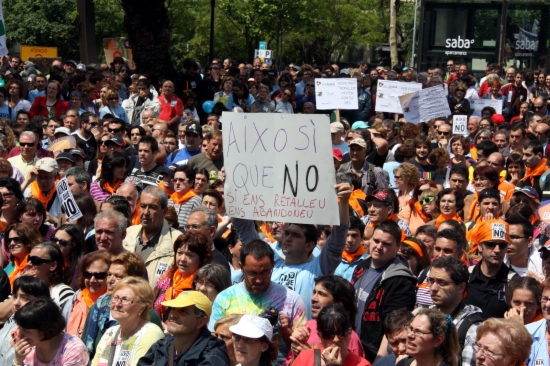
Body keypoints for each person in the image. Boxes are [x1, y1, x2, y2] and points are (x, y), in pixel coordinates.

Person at [232, 181, 351, 318]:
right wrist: (236, 187)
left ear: (309, 245)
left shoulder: (318, 269)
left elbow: (338, 237)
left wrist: (344, 202)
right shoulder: (271, 263)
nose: (288, 238)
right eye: (287, 233)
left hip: (300, 337)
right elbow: (244, 227)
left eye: (296, 236)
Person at [209, 239, 307, 366]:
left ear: (273, 265)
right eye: (252, 273)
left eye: (265, 272)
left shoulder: (291, 300)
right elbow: (215, 343)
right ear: (241, 267)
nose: (259, 280)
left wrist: (284, 331)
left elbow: (303, 350)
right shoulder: (225, 298)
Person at [350, 220, 416, 363]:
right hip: (353, 348)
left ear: (398, 246)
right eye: (376, 240)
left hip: (374, 354)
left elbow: (394, 329)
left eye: (386, 244)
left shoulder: (401, 281)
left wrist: (379, 360)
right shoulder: (362, 266)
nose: (379, 247)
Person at [82, 252, 163, 360]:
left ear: (133, 280)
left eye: (118, 276)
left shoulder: (148, 314)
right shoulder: (98, 306)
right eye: (109, 274)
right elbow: (84, 347)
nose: (110, 280)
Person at [138, 291, 230, 366]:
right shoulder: (161, 345)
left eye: (183, 311)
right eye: (173, 309)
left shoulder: (213, 356)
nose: (173, 314)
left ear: (201, 322)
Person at [91, 277, 165, 366]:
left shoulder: (150, 333)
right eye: (115, 298)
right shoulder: (110, 333)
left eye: (125, 299)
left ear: (142, 308)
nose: (117, 304)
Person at [289, 275, 365, 359]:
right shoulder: (308, 327)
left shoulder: (349, 339)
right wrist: (297, 355)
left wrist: (310, 356)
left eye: (322, 294)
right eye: (314, 292)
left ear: (338, 304)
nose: (313, 298)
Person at [428, 256, 483, 366]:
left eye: (441, 282)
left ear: (461, 287)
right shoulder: (424, 316)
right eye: (431, 281)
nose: (433, 288)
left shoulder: (472, 328)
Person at [153, 231, 213, 321]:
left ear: (202, 259)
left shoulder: (202, 286)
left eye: (190, 255)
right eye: (180, 253)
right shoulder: (166, 277)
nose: (182, 259)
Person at [12, 298, 89, 366]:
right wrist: (18, 361)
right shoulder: (28, 348)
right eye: (19, 327)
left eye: (25, 330)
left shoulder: (73, 350)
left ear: (43, 332)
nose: (19, 333)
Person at [465, 219, 516, 318]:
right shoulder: (466, 275)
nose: (497, 250)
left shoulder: (513, 282)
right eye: (491, 244)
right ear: (480, 246)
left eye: (502, 245)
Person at [292, 305, 372, 366]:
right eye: (329, 334)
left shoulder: (363, 364)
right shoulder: (304, 359)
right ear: (320, 336)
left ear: (350, 333)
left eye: (342, 332)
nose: (336, 339)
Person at [0, 277, 51, 366]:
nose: (16, 303)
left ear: (41, 302)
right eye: (15, 296)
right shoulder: (12, 320)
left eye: (25, 298)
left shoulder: (41, 334)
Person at [504, 213, 543, 279]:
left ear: (529, 241)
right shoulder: (496, 266)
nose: (508, 241)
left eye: (514, 237)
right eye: (505, 237)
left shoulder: (544, 267)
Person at [3, 222, 42, 287]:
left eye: (17, 239)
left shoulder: (36, 266)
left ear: (29, 239)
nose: (12, 243)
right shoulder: (9, 267)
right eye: (9, 240)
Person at [167, 165, 203, 230]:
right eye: (175, 180)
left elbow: (197, 225)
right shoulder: (169, 201)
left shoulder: (196, 201)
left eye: (181, 180)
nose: (177, 183)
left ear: (191, 182)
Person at [334, 216, 368, 281]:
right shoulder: (333, 259)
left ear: (362, 237)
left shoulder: (368, 262)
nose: (349, 240)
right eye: (346, 235)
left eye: (354, 235)